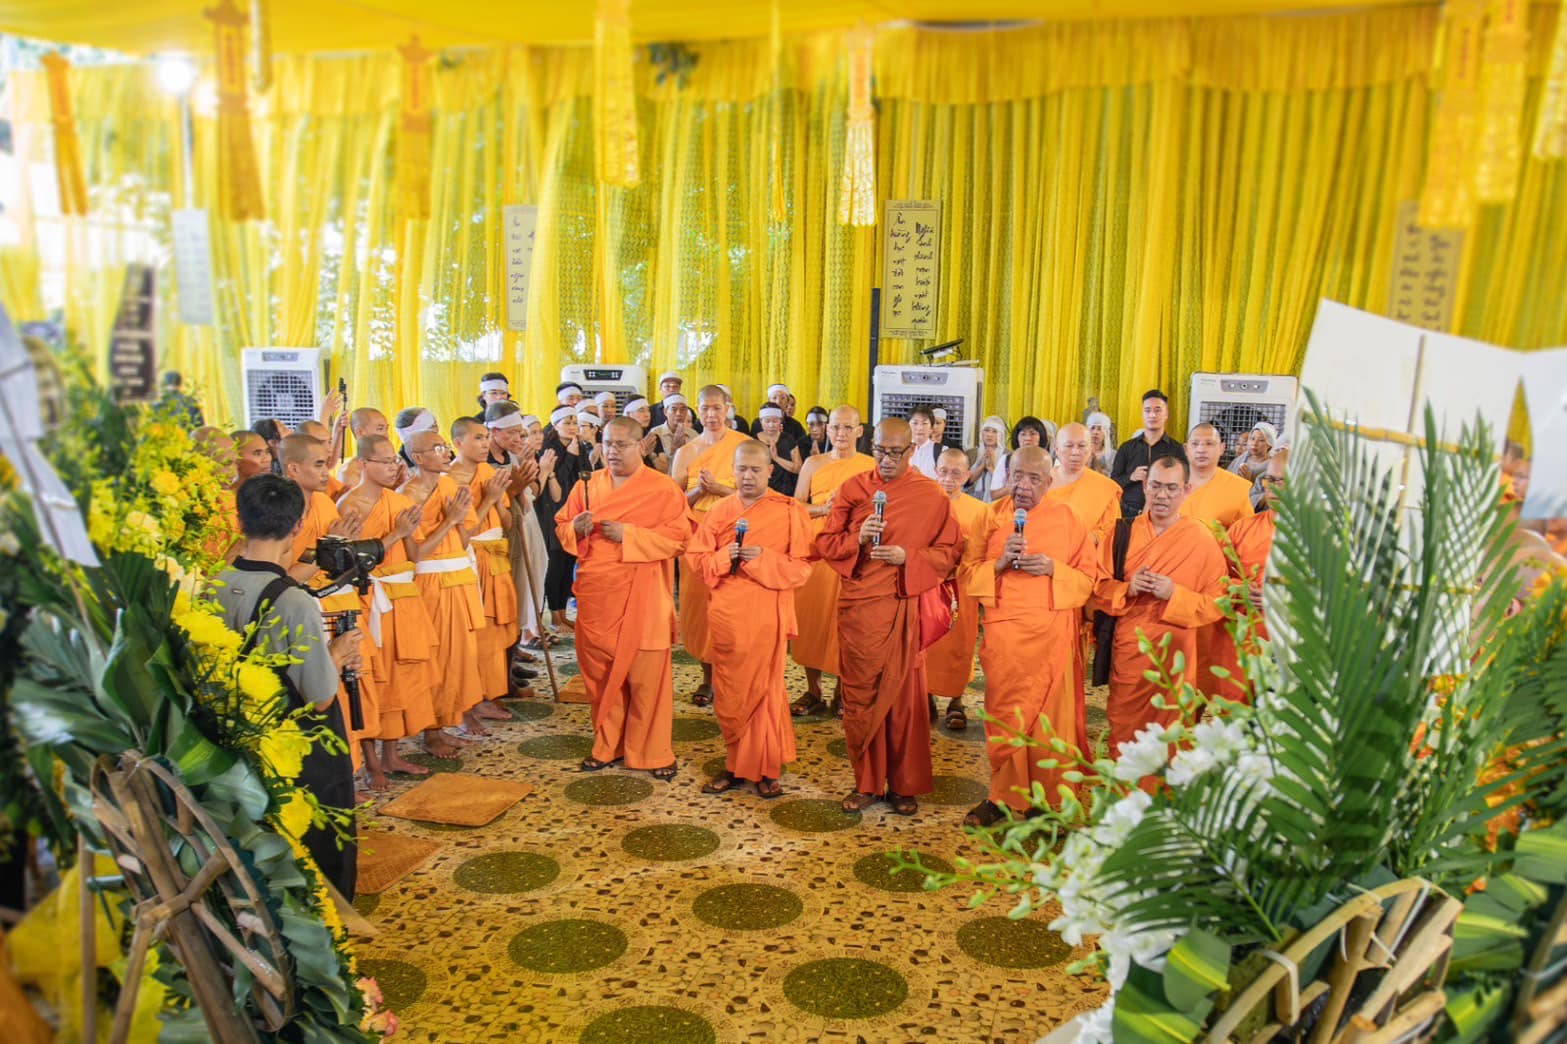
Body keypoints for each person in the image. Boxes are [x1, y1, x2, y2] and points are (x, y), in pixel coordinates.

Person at [211, 474, 361, 897]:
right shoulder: (294, 601)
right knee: (319, 846)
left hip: (241, 734)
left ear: (240, 522)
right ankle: (329, 942)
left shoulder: (215, 584)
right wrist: (338, 652)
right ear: (298, 526)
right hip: (298, 744)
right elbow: (319, 697)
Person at [816, 418, 962, 817]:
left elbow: (951, 553)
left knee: (903, 702)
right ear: (872, 445)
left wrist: (908, 558)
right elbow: (826, 543)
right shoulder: (853, 488)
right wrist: (857, 539)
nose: (886, 459)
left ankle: (902, 785)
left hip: (902, 608)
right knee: (860, 698)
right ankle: (865, 782)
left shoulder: (930, 496)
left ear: (912, 451)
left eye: (896, 452)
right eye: (880, 450)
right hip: (860, 610)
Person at [966, 446, 1097, 826]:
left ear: (1049, 481)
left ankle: (1047, 801)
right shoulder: (989, 517)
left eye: (1033, 478)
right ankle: (1001, 798)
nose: (1022, 486)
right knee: (1006, 717)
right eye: (1017, 475)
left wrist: (1055, 569)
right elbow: (968, 572)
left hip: (1051, 637)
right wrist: (1000, 563)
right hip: (1005, 636)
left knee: (1047, 722)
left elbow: (1090, 580)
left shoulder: (1070, 519)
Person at [555, 417, 691, 779]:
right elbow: (563, 527)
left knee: (646, 679)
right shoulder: (588, 486)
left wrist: (629, 535)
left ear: (641, 446)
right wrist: (576, 529)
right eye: (607, 444)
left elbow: (681, 538)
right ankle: (608, 745)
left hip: (642, 593)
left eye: (621, 445)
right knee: (600, 676)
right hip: (597, 596)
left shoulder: (662, 489)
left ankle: (652, 752)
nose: (612, 452)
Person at [687, 441, 812, 798]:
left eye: (756, 469)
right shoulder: (720, 510)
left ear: (771, 471)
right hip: (727, 613)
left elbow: (802, 568)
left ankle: (767, 769)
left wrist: (763, 559)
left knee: (764, 692)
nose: (747, 476)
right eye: (741, 469)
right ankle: (735, 765)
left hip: (766, 612)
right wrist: (725, 556)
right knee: (729, 692)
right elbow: (697, 559)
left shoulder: (789, 511)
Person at [1089, 456, 1227, 763]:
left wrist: (1174, 594)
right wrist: (1128, 588)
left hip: (1176, 657)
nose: (1162, 495)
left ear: (1187, 490)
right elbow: (1097, 587)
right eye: (1155, 486)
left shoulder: (1201, 539)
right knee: (1125, 733)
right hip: (1130, 655)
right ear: (1144, 485)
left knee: (1171, 738)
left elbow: (1218, 602)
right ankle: (1124, 804)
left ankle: (1163, 807)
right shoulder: (1121, 533)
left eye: (1171, 488)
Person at [277, 434, 385, 791]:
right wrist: (322, 551)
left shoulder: (324, 504)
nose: (328, 472)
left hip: (338, 603)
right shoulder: (280, 512)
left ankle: (356, 768)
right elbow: (281, 581)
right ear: (293, 468)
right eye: (320, 464)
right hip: (301, 613)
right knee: (319, 692)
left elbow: (338, 561)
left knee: (355, 686)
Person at [337, 434, 443, 766]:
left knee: (403, 674)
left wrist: (413, 530)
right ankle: (371, 761)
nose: (392, 467)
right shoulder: (348, 505)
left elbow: (415, 555)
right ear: (363, 464)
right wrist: (396, 533)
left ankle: (392, 754)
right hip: (370, 598)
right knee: (374, 677)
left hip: (403, 596)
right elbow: (349, 563)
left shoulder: (398, 503)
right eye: (384, 461)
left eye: (393, 460)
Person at [401, 428, 493, 743]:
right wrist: (449, 521)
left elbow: (465, 536)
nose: (445, 453)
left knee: (462, 657)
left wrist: (460, 518)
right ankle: (433, 731)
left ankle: (454, 716)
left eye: (443, 446)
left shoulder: (450, 485)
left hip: (459, 578)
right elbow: (416, 553)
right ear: (417, 457)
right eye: (436, 448)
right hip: (430, 581)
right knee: (437, 657)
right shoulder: (407, 495)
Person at [789, 406, 875, 717]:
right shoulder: (813, 463)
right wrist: (827, 508)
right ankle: (813, 691)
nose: (840, 434)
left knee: (847, 625)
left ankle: (843, 690)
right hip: (816, 552)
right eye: (835, 427)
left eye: (847, 428)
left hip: (852, 554)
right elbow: (797, 507)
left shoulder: (870, 467)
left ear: (859, 431)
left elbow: (879, 511)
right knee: (811, 623)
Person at [670, 386, 754, 705]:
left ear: (728, 408)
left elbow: (756, 493)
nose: (711, 414)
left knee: (733, 607)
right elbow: (672, 501)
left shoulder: (744, 447)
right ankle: (707, 678)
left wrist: (719, 489)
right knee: (701, 608)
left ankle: (733, 676)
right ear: (697, 410)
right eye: (705, 408)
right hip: (697, 539)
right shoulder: (687, 452)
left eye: (717, 408)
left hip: (734, 535)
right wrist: (696, 493)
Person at [449, 418, 527, 714]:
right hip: (472, 560)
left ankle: (488, 692)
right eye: (478, 438)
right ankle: (471, 699)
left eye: (485, 438)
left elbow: (508, 523)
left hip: (496, 556)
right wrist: (489, 499)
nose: (484, 445)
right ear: (458, 443)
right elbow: (463, 534)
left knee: (497, 629)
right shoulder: (451, 480)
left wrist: (499, 499)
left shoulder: (487, 472)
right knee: (477, 632)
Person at [1208, 452, 1287, 703]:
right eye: (1269, 480)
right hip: (1242, 639)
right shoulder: (1244, 528)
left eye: (1283, 481)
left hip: (1290, 643)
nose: (1273, 488)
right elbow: (1216, 576)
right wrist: (1238, 588)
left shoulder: (1319, 535)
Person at [925, 448, 992, 731]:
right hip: (928, 586)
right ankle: (924, 695)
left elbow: (984, 553)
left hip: (963, 588)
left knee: (961, 645)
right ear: (935, 471)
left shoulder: (980, 511)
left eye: (956, 473)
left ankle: (956, 701)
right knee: (926, 641)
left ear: (967, 475)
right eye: (943, 471)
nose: (948, 478)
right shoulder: (923, 504)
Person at [485, 402, 553, 657]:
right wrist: (516, 487)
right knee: (512, 584)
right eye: (510, 433)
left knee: (532, 576)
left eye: (519, 433)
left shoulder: (513, 456)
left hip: (526, 519)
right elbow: (498, 497)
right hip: (503, 527)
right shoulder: (485, 460)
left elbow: (532, 492)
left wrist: (532, 468)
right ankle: (506, 652)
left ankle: (517, 642)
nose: (516, 438)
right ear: (493, 431)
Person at [537, 406, 590, 633]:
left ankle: (563, 615)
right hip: (553, 512)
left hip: (574, 510)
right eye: (567, 423)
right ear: (555, 425)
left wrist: (578, 456)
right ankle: (555, 616)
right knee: (556, 564)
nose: (572, 427)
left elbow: (585, 475)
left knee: (569, 563)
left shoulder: (580, 446)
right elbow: (555, 483)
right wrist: (570, 456)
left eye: (575, 423)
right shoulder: (549, 449)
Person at [1046, 422, 1123, 546]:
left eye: (1082, 446)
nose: (1076, 452)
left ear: (1090, 449)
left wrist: (1080, 540)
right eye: (1069, 445)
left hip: (1085, 557)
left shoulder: (1104, 487)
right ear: (1056, 449)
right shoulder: (1041, 482)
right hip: (1042, 552)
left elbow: (1111, 531)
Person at [1110, 390, 1184, 517]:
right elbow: (1113, 483)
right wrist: (1130, 477)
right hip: (1127, 514)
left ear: (1166, 414)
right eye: (1147, 410)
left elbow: (1183, 483)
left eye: (1157, 410)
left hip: (1164, 514)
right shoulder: (1127, 447)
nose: (1152, 415)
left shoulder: (1177, 449)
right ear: (1142, 414)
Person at [1180, 423, 1255, 528]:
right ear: (1186, 449)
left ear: (1222, 448)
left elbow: (1247, 534)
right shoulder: (1171, 484)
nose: (1201, 450)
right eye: (1195, 444)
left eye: (1209, 443)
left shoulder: (1236, 487)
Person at [336, 408, 392, 489]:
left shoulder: (392, 464)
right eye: (380, 429)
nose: (386, 435)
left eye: (386, 429)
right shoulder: (350, 473)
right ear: (360, 432)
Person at [756, 404, 803, 496]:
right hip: (762, 493)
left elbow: (798, 468)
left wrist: (776, 458)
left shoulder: (788, 439)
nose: (771, 425)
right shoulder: (754, 442)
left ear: (780, 421)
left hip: (786, 491)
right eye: (767, 421)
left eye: (775, 421)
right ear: (761, 421)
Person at [965, 416, 1008, 502]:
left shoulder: (1008, 455)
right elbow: (965, 483)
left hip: (998, 501)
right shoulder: (971, 453)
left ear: (1001, 434)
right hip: (972, 500)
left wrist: (992, 468)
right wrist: (981, 466)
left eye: (994, 431)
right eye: (986, 430)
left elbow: (1008, 486)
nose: (989, 435)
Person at [649, 394, 693, 469]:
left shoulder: (693, 434)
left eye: (683, 409)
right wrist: (674, 451)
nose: (679, 413)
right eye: (674, 409)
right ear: (665, 412)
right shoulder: (655, 434)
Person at [907, 406, 939, 478]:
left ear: (931, 428)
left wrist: (920, 477)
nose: (920, 428)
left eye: (924, 423)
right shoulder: (900, 450)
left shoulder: (942, 451)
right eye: (915, 423)